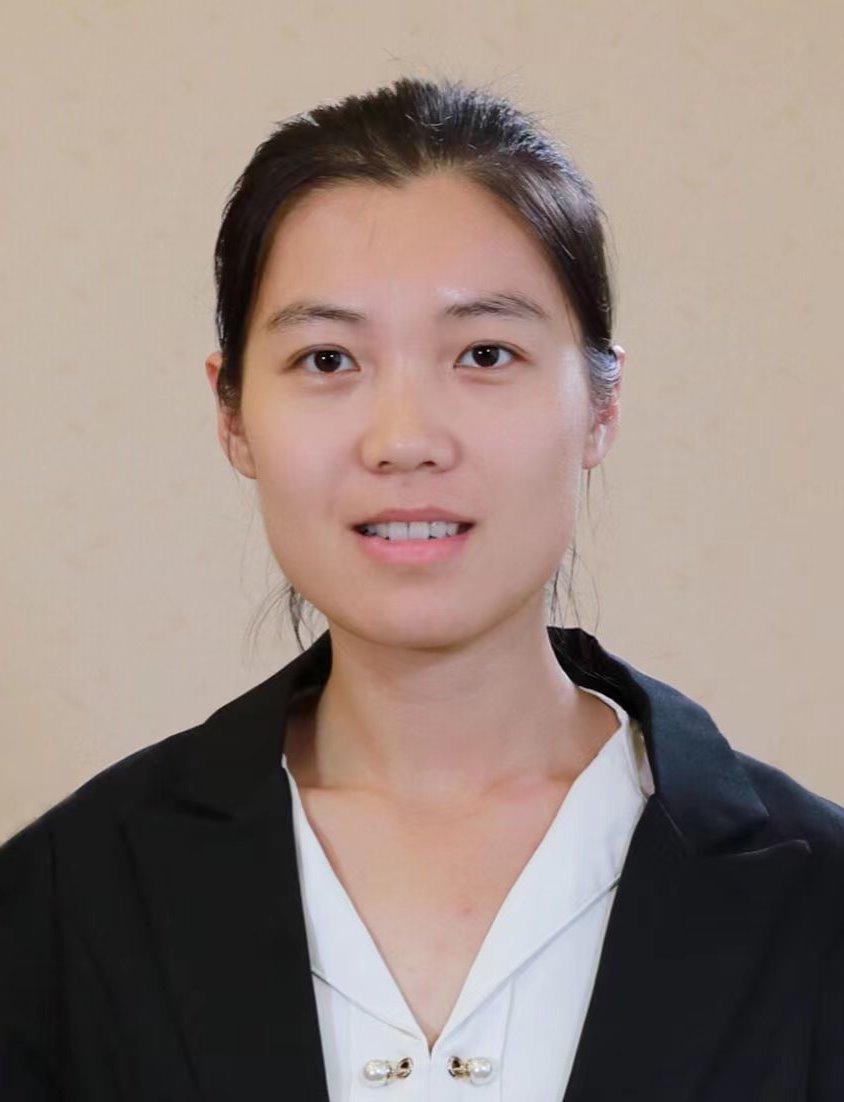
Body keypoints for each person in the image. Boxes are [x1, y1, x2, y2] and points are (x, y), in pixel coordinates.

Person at [1, 75, 843, 1102]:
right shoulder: (61, 906)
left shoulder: (818, 900)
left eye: (485, 353)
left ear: (600, 404)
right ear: (232, 415)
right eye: (327, 359)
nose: (404, 440)